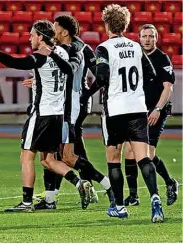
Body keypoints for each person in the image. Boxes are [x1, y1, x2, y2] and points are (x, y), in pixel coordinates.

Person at [0, 20, 91, 212]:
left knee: (26, 157)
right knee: (48, 160)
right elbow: (67, 71)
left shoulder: (39, 56)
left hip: (41, 115)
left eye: (32, 35)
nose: (29, 38)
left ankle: (26, 203)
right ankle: (79, 182)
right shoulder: (61, 53)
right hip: (57, 114)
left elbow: (13, 62)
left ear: (40, 37)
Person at [84, 4, 164, 222]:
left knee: (113, 160)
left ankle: (119, 206)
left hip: (115, 110)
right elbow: (151, 73)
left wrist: (86, 94)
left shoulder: (103, 48)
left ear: (107, 24)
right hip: (137, 109)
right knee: (144, 158)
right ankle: (155, 197)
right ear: (126, 24)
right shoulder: (137, 47)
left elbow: (101, 77)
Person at [31, 15, 115, 210]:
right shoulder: (78, 48)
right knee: (58, 153)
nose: (53, 31)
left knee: (65, 156)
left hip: (69, 108)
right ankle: (53, 198)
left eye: (55, 28)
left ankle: (106, 187)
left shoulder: (76, 49)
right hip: (66, 107)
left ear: (65, 32)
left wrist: (85, 93)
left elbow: (100, 76)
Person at [124, 24, 178, 206]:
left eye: (151, 36)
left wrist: (157, 109)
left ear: (156, 38)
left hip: (156, 112)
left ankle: (170, 182)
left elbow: (168, 87)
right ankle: (133, 196)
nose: (147, 39)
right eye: (144, 36)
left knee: (147, 154)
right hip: (137, 111)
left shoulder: (162, 59)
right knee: (129, 152)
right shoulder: (135, 57)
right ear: (139, 38)